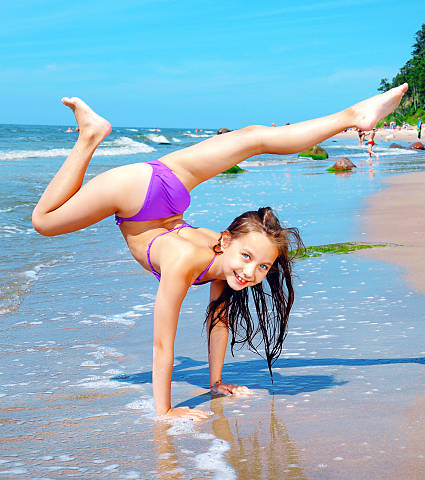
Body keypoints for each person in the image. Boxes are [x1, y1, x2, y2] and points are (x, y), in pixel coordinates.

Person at [32, 84, 408, 421]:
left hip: (168, 188)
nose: (251, 273)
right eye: (248, 258)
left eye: (263, 267)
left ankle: (353, 116)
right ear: (226, 241)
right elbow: (164, 340)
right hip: (132, 196)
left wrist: (216, 383)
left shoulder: (227, 264)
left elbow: (219, 321)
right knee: (43, 222)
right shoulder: (183, 262)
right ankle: (90, 137)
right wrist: (164, 411)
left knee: (253, 137)